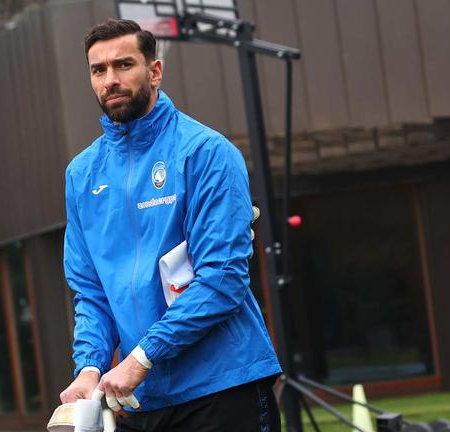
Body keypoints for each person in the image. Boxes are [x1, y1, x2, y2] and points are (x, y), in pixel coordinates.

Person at [59, 18, 282, 431]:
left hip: (221, 388)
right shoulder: (81, 174)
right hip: (140, 400)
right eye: (98, 70)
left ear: (155, 72)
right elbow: (92, 294)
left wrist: (142, 356)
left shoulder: (207, 152)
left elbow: (221, 280)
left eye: (124, 65)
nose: (111, 79)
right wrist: (89, 367)